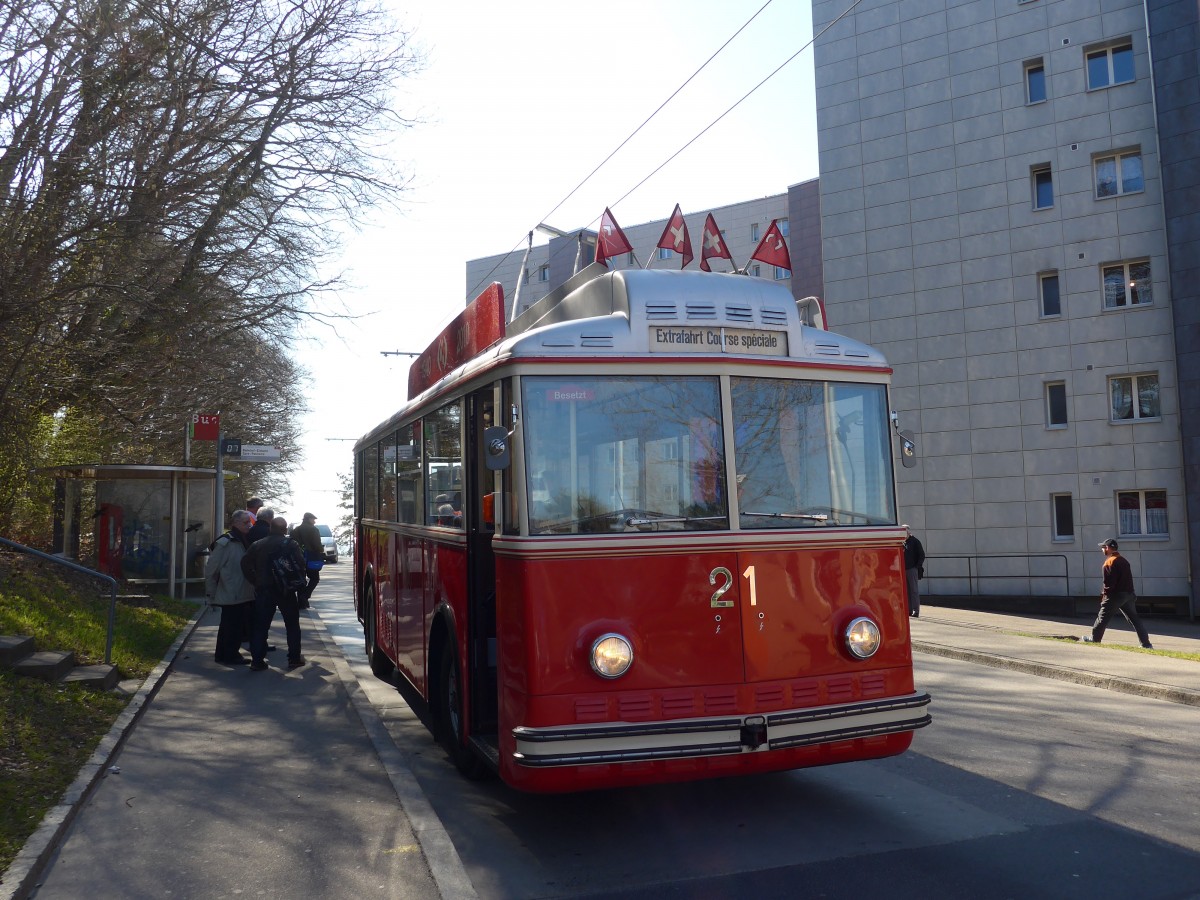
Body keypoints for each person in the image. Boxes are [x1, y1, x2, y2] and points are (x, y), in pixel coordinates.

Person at [243, 516, 307, 671]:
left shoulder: (257, 545)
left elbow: (244, 564)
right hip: (286, 590)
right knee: (292, 625)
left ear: (270, 528)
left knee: (260, 626)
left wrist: (255, 581)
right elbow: (301, 564)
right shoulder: (291, 544)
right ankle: (294, 658)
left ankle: (257, 661)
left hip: (264, 589)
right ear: (284, 530)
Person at [204, 510, 255, 665]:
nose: (249, 525)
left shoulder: (242, 540)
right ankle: (229, 655)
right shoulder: (226, 542)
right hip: (231, 592)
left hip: (241, 591)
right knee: (231, 626)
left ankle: (224, 654)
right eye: (245, 522)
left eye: (249, 522)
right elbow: (211, 570)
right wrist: (210, 594)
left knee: (232, 626)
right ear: (235, 523)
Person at [1084, 539, 1152, 649]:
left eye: (1103, 547)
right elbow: (1129, 579)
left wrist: (1105, 596)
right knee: (1134, 619)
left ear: (1107, 548)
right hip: (1128, 594)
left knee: (1102, 618)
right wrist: (1132, 594)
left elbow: (1108, 583)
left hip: (1115, 595)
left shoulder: (1109, 562)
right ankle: (1146, 644)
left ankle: (1095, 639)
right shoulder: (1124, 560)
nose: (1102, 550)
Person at [290, 512, 324, 609]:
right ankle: (305, 596)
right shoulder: (313, 529)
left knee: (301, 579)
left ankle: (301, 602)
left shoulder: (295, 530)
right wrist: (320, 550)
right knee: (314, 578)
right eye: (313, 519)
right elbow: (317, 544)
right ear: (308, 519)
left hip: (297, 558)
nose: (314, 521)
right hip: (311, 557)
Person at [903, 528, 925, 618]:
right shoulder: (903, 542)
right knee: (907, 591)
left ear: (909, 532)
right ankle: (909, 610)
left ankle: (916, 611)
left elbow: (921, 554)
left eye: (905, 532)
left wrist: (917, 566)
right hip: (904, 568)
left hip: (912, 569)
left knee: (914, 590)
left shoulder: (915, 541)